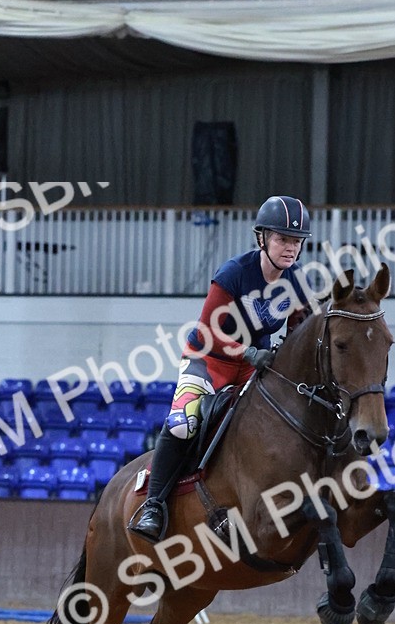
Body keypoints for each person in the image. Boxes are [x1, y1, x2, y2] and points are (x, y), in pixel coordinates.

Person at [128, 195, 312, 543]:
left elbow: (299, 329)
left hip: (251, 367)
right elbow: (209, 330)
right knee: (184, 425)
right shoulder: (233, 274)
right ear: (262, 239)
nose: (290, 248)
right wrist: (248, 351)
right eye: (282, 239)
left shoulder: (298, 281)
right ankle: (153, 505)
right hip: (207, 361)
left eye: (297, 241)